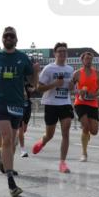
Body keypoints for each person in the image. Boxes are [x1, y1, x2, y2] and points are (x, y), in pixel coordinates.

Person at [0, 26, 37, 197]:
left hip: (18, 104)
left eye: (12, 36)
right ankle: (11, 182)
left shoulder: (22, 58)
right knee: (7, 138)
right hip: (0, 104)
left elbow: (33, 83)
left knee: (10, 143)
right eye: (6, 36)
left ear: (16, 39)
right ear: (2, 39)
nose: (9, 38)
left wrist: (36, 72)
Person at [32, 42, 75, 173]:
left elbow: (71, 89)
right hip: (51, 104)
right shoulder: (49, 69)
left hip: (65, 104)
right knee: (50, 134)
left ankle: (62, 163)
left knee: (66, 131)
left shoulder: (70, 70)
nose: (62, 53)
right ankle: (43, 141)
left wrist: (73, 87)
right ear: (55, 54)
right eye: (60, 51)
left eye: (64, 51)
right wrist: (54, 84)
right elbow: (38, 88)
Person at [73, 51, 99, 162]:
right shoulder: (77, 73)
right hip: (80, 103)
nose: (88, 61)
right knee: (85, 127)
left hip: (93, 103)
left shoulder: (96, 73)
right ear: (82, 60)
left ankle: (87, 134)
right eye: (86, 59)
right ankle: (84, 153)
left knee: (94, 131)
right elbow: (71, 87)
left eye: (90, 59)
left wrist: (96, 93)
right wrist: (80, 91)